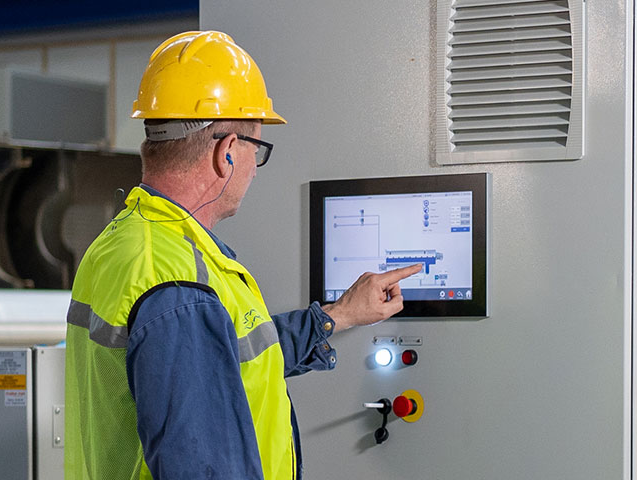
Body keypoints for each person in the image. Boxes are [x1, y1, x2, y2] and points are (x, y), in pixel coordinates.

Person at [63, 31, 419, 479]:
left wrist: (336, 317)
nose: (254, 169)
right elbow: (204, 467)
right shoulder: (179, 286)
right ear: (227, 152)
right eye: (257, 150)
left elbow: (228, 356)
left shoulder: (123, 243)